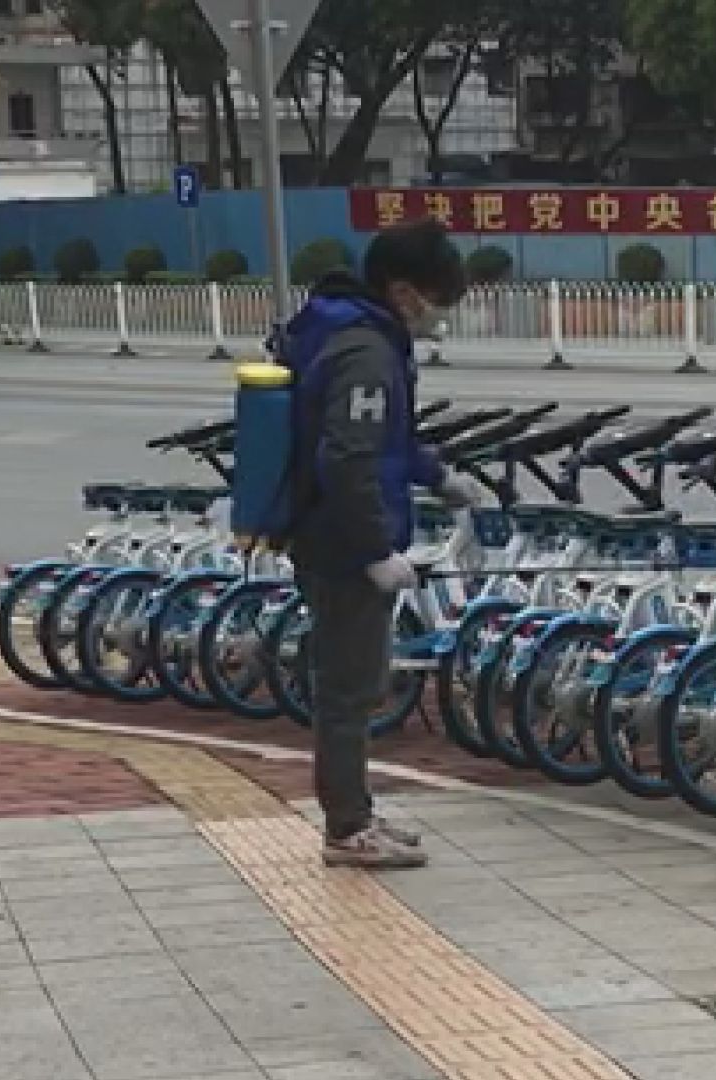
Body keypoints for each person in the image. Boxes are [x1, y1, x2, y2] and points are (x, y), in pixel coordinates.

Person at [277, 217, 476, 869]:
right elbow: (349, 459)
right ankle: (346, 828)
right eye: (437, 297)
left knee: (355, 686)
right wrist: (374, 552)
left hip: (336, 538)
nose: (439, 313)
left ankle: (355, 811)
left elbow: (391, 443)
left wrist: (437, 476)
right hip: (342, 548)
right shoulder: (365, 352)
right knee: (349, 690)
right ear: (403, 290)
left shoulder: (361, 335)